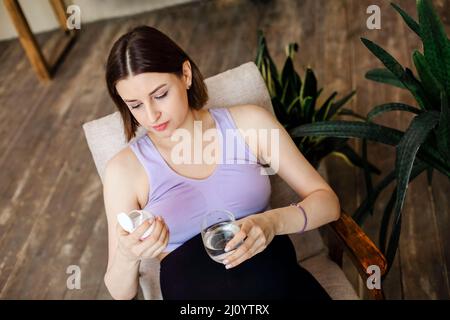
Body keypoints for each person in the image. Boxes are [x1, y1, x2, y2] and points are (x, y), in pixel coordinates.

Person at [102, 25, 341, 300]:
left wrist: (272, 222)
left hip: (281, 286)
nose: (152, 115)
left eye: (160, 95)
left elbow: (327, 202)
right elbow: (120, 292)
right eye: (135, 105)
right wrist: (128, 254)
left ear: (186, 75)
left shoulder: (250, 124)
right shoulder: (124, 170)